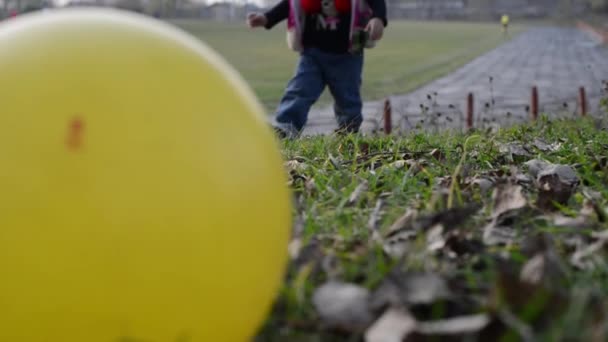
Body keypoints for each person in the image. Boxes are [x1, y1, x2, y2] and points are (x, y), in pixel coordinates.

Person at [247, 0, 387, 138]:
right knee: (299, 90)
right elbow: (290, 3)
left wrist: (378, 17)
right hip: (312, 53)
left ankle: (349, 132)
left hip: (348, 53)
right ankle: (286, 128)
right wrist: (267, 18)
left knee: (348, 97)